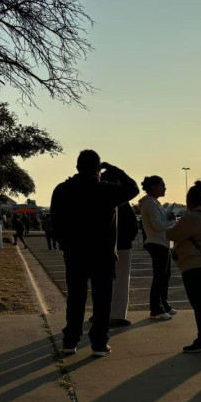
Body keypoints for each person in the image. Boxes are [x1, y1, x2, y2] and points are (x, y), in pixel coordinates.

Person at [50, 150, 139, 357]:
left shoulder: (62, 190)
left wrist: (65, 245)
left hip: (75, 253)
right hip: (102, 255)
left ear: (77, 166)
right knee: (102, 301)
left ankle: (70, 341)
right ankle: (99, 343)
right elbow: (133, 189)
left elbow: (56, 222)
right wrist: (115, 169)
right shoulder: (105, 190)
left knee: (76, 298)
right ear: (98, 169)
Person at [166, 181, 201, 353]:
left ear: (190, 201)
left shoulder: (192, 218)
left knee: (200, 305)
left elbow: (172, 234)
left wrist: (170, 222)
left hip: (195, 266)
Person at [138, 175, 177, 320]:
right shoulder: (149, 203)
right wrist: (171, 221)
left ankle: (163, 304)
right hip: (157, 243)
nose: (164, 188)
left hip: (163, 243)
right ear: (153, 187)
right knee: (159, 277)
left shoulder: (154, 203)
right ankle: (156, 309)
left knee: (165, 276)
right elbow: (157, 225)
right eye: (162, 185)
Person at [111, 195, 139, 328]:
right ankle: (117, 316)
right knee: (121, 281)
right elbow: (133, 225)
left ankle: (99, 313)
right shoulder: (122, 202)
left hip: (100, 247)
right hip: (122, 246)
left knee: (101, 282)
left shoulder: (95, 197)